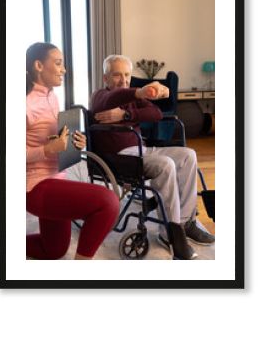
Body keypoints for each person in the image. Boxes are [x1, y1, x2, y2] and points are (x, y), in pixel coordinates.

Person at [90, 54, 215, 260]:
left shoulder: (133, 100)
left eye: (127, 75)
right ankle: (170, 233)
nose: (123, 80)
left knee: (188, 155)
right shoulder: (100, 96)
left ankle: (185, 222)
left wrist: (126, 116)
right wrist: (138, 93)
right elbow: (113, 98)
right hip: (118, 157)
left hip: (142, 150)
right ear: (105, 79)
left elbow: (155, 113)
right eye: (116, 75)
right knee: (165, 164)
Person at [26, 43, 119, 260]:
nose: (64, 70)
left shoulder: (52, 97)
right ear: (39, 65)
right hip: (34, 186)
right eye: (58, 63)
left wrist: (74, 143)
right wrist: (48, 149)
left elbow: (52, 140)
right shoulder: (24, 103)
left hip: (56, 178)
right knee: (108, 202)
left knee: (54, 250)